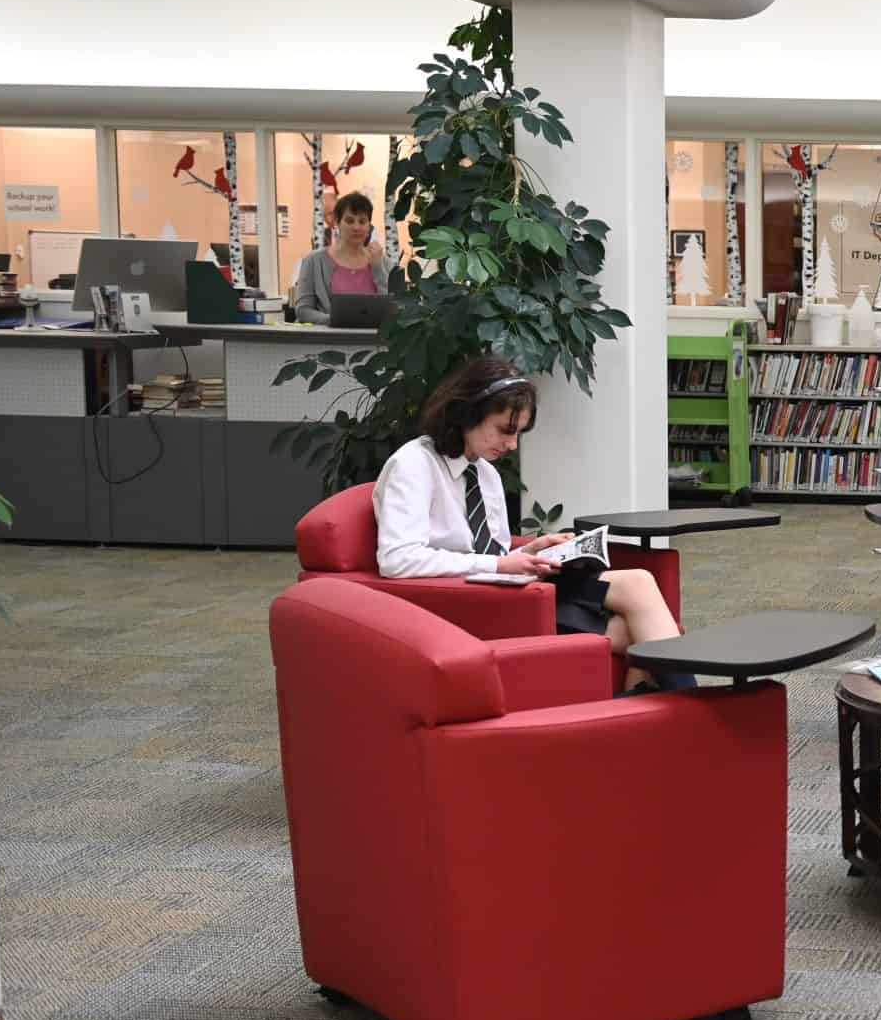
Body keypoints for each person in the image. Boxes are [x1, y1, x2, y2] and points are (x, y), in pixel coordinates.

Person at [372, 354, 691, 690]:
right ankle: (688, 712)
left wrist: (533, 549)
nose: (511, 444)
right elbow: (397, 559)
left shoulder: (485, 473)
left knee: (639, 583)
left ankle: (651, 707)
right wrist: (500, 563)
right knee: (642, 630)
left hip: (506, 588)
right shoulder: (413, 466)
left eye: (518, 433)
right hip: (466, 602)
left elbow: (489, 548)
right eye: (505, 430)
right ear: (467, 413)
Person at [291, 191, 389, 324]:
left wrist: (378, 268)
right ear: (337, 222)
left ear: (369, 226)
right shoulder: (313, 261)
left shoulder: (382, 262)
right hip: (328, 342)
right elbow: (303, 310)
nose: (356, 227)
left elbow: (390, 311)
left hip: (373, 342)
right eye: (349, 221)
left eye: (362, 221)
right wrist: (336, 320)